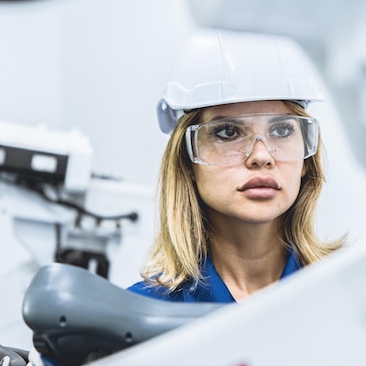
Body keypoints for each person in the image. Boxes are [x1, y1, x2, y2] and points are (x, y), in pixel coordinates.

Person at [127, 28, 345, 303]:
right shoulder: (141, 315)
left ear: (306, 159)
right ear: (187, 161)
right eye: (228, 132)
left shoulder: (349, 294)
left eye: (280, 131)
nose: (261, 156)